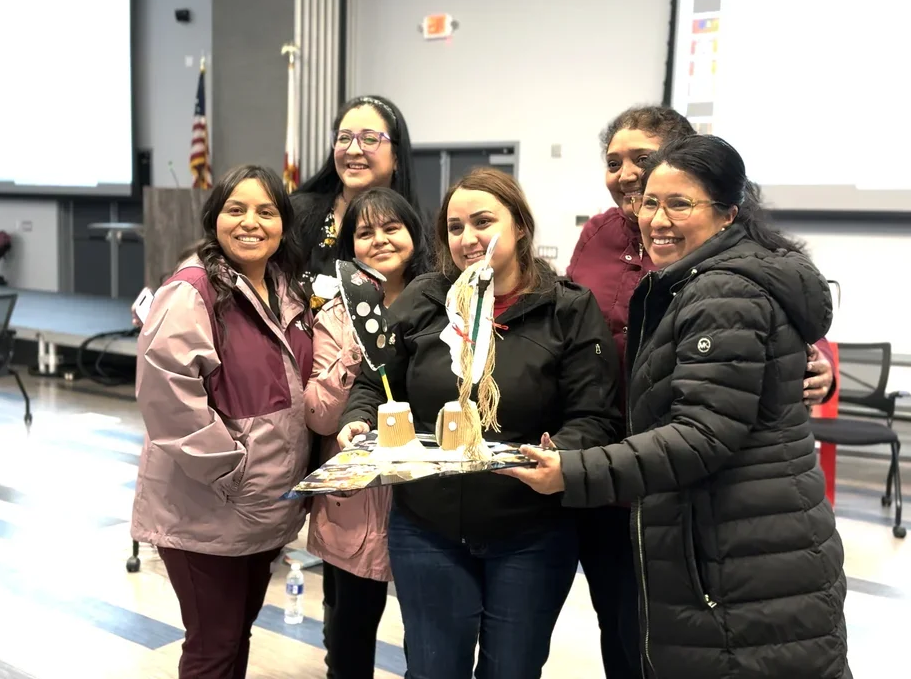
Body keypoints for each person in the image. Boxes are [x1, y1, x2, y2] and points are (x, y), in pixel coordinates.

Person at [505, 134, 850, 679]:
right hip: (719, 526)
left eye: (679, 204)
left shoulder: (722, 293)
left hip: (733, 542)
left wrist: (572, 472)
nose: (657, 218)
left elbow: (701, 434)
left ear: (728, 213)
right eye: (651, 202)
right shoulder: (701, 277)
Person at [337, 167, 623, 679]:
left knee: (511, 670)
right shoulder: (425, 299)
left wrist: (559, 455)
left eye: (483, 222)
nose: (467, 238)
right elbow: (373, 379)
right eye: (454, 226)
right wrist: (360, 420)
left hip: (531, 530)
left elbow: (595, 415)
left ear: (520, 226)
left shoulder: (568, 310)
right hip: (428, 527)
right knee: (432, 669)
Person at [130, 165, 313, 679]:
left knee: (236, 635)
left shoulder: (287, 290)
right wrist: (231, 472)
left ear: (283, 223)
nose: (250, 222)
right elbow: (168, 395)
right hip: (206, 506)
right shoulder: (192, 291)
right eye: (236, 209)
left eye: (266, 211)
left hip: (264, 505)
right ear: (215, 219)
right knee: (212, 646)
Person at [304, 187, 432, 679]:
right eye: (364, 231)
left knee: (425, 636)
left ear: (413, 234)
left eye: (391, 227)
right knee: (348, 635)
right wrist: (362, 350)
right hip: (353, 506)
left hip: (424, 504)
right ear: (350, 245)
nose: (379, 240)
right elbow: (317, 415)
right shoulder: (334, 314)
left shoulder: (445, 305)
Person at [291, 95, 419, 310]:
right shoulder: (296, 214)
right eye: (344, 138)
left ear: (396, 157)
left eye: (369, 139)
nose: (353, 150)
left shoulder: (419, 231)